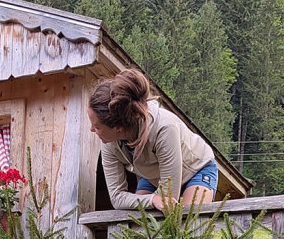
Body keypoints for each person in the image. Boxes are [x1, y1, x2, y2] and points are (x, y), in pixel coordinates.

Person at [88, 69, 218, 211]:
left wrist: (155, 199)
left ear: (118, 127)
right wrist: (151, 199)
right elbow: (117, 198)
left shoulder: (165, 129)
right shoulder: (109, 143)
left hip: (196, 170)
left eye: (96, 126)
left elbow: (168, 197)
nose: (91, 130)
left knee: (187, 223)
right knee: (140, 224)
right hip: (153, 177)